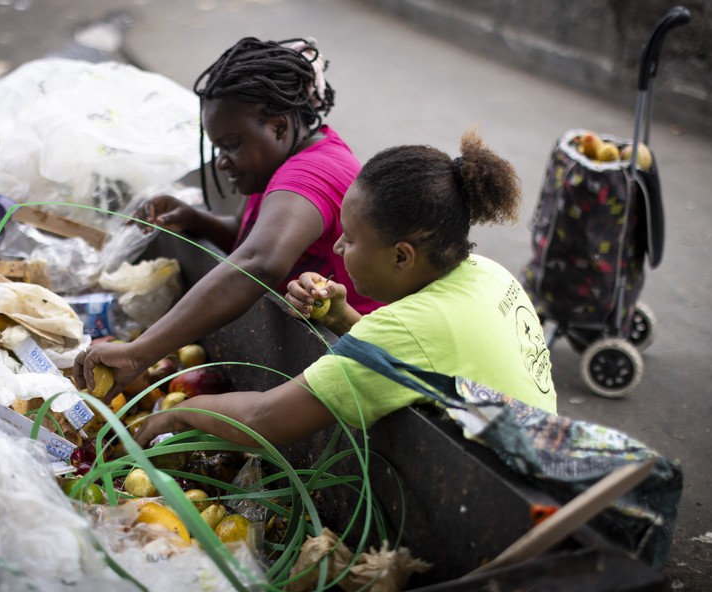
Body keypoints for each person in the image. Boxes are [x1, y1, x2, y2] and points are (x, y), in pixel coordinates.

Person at [132, 130, 558, 449]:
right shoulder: (488, 273)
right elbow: (414, 356)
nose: (336, 246)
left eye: (350, 239)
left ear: (402, 256)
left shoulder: (405, 328)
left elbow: (264, 419)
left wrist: (182, 413)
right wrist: (340, 319)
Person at [74, 37, 380, 399]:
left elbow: (259, 261)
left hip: (351, 350)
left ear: (279, 127)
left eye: (232, 145)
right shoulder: (282, 163)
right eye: (218, 147)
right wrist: (196, 220)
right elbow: (249, 236)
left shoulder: (309, 174)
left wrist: (138, 354)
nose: (221, 161)